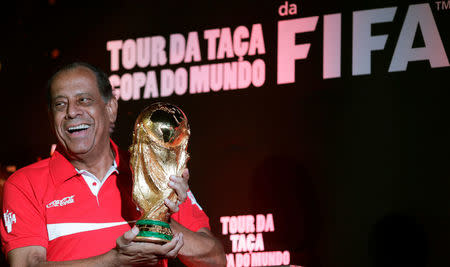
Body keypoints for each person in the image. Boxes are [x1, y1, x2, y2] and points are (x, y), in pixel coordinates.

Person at [0, 62, 226, 267]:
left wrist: (159, 219)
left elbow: (215, 259)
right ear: (51, 117)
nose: (72, 112)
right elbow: (26, 264)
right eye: (60, 104)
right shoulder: (24, 184)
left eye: (84, 100)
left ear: (111, 109)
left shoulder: (154, 172)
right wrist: (114, 260)